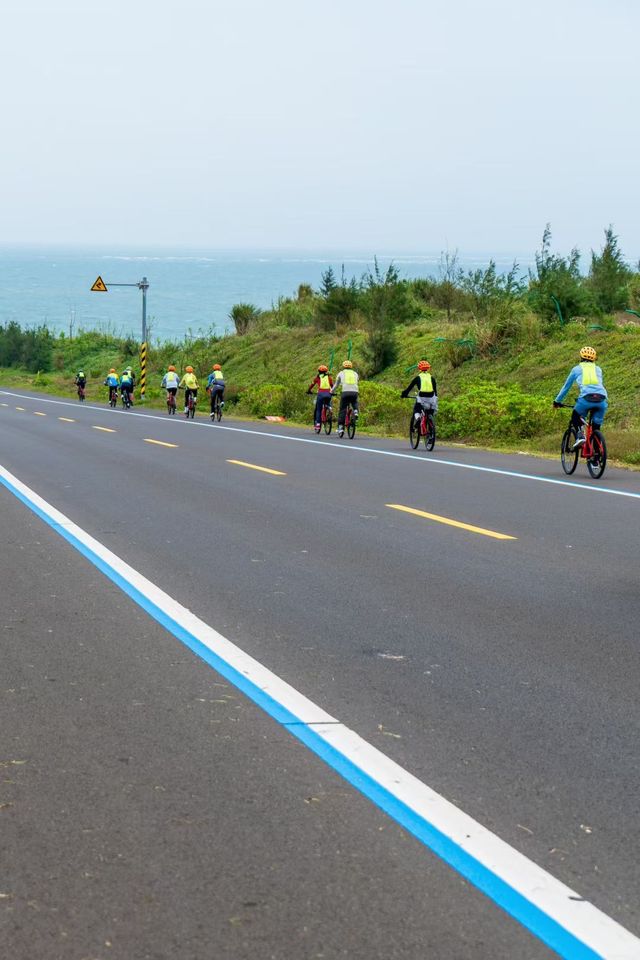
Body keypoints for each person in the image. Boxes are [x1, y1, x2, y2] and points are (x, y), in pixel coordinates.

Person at [553, 346, 608, 449]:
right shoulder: (598, 369)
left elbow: (566, 387)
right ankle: (596, 459)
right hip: (602, 399)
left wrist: (557, 401)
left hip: (586, 398)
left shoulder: (576, 369)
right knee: (596, 428)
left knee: (575, 416)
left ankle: (580, 435)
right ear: (594, 359)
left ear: (581, 357)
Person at [331, 360, 360, 437]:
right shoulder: (355, 373)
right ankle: (356, 411)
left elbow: (336, 384)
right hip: (355, 391)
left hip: (345, 392)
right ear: (351, 367)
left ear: (343, 366)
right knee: (354, 402)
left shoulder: (341, 373)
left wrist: (331, 391)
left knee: (343, 409)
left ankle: (340, 427)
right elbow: (357, 382)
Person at [307, 364, 333, 430]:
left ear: (318, 371)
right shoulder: (329, 377)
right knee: (328, 402)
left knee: (319, 409)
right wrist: (333, 392)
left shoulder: (317, 378)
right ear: (326, 371)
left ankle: (318, 424)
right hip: (328, 394)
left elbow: (312, 385)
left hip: (321, 394)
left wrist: (309, 391)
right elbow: (332, 385)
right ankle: (329, 408)